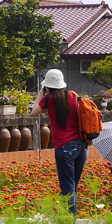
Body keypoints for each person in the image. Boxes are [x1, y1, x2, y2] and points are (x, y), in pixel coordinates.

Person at [31, 69, 87, 215]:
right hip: (82, 147)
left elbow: (34, 111)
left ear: (47, 86)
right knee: (72, 188)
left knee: (68, 189)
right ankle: (67, 220)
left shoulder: (49, 99)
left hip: (65, 148)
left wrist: (40, 94)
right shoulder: (73, 96)